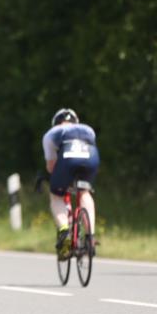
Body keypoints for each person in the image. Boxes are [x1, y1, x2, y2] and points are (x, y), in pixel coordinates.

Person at [42, 108, 100, 256]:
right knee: (84, 192)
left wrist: (55, 179)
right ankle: (90, 236)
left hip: (67, 159)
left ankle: (64, 232)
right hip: (91, 157)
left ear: (55, 122)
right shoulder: (88, 129)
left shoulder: (51, 134)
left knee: (56, 195)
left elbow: (51, 167)